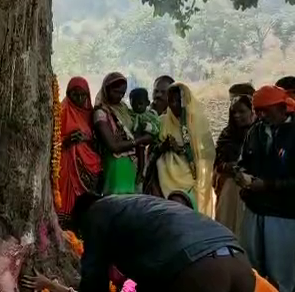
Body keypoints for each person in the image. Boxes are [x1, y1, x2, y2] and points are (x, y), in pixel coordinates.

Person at [72, 193, 255, 292]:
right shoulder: (139, 207)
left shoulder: (97, 212)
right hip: (241, 264)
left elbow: (93, 280)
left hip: (202, 270)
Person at [238, 85, 295, 291]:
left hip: (284, 214)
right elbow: (244, 160)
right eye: (258, 111)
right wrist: (241, 175)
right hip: (255, 209)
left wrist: (268, 185)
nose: (261, 116)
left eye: (266, 111)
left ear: (282, 108)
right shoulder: (256, 130)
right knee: (253, 271)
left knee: (282, 275)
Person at [155, 82, 215, 217]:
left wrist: (186, 149)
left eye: (178, 101)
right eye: (171, 101)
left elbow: (209, 153)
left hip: (191, 178)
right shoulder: (162, 121)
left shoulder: (198, 123)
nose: (174, 104)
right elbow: (152, 150)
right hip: (165, 175)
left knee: (188, 216)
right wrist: (164, 147)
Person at [93, 72, 151, 194]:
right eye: (116, 92)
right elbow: (113, 146)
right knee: (117, 201)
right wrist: (139, 141)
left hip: (131, 164)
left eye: (122, 93)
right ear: (106, 89)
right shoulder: (101, 113)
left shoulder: (123, 107)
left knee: (131, 202)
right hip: (116, 164)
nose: (119, 96)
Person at [56, 77, 102, 228]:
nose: (80, 98)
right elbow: (53, 140)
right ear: (68, 94)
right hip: (67, 166)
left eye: (83, 95)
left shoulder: (91, 114)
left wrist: (87, 140)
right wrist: (68, 140)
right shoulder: (62, 111)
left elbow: (97, 140)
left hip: (89, 166)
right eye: (75, 94)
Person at [214, 92, 254, 237]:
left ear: (252, 111)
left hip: (252, 189)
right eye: (234, 112)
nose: (237, 115)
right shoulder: (227, 134)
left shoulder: (259, 133)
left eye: (242, 111)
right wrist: (228, 167)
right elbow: (216, 161)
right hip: (229, 189)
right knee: (227, 226)